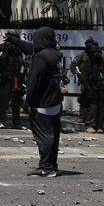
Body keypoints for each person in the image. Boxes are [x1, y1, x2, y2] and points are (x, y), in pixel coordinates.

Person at [26, 27, 65, 177]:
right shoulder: (56, 55)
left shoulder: (40, 57)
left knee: (44, 136)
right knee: (52, 135)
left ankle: (46, 167)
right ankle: (51, 165)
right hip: (54, 101)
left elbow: (34, 83)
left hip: (42, 102)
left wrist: (28, 101)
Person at [71, 37, 104, 134]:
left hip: (100, 82)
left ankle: (99, 125)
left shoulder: (102, 54)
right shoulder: (83, 55)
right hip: (87, 82)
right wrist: (79, 75)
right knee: (90, 104)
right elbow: (73, 65)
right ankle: (89, 123)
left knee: (101, 105)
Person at [0, 31, 27, 128]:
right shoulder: (4, 52)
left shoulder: (19, 53)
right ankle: (1, 121)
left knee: (16, 102)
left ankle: (16, 123)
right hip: (6, 80)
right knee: (4, 102)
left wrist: (22, 80)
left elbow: (23, 67)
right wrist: (0, 74)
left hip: (17, 80)